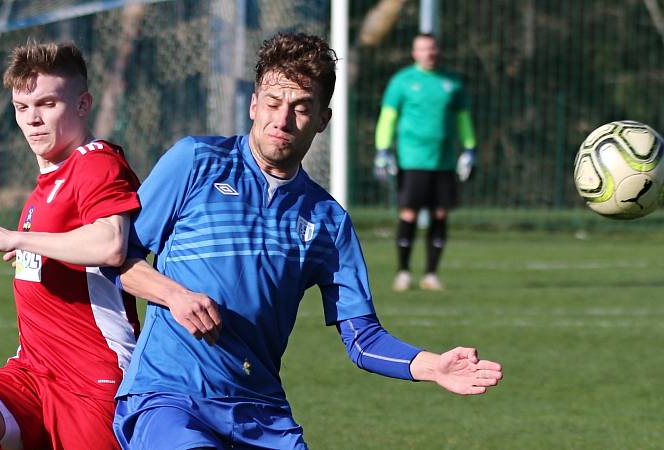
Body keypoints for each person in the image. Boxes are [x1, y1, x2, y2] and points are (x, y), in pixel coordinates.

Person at [112, 32, 502, 449]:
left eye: (300, 108)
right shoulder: (195, 162)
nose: (282, 120)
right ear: (253, 104)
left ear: (322, 120)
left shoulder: (328, 220)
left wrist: (432, 367)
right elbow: (118, 259)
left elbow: (363, 339)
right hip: (171, 397)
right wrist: (173, 294)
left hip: (261, 412)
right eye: (273, 103)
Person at [0, 42, 141, 450]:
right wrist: (34, 250)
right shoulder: (50, 178)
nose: (32, 119)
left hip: (93, 374)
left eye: (47, 103)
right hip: (33, 368)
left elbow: (111, 243)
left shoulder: (96, 163)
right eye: (21, 107)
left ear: (83, 104)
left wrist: (17, 238)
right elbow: (68, 246)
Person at [373, 33, 478, 292]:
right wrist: (383, 150)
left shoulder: (452, 82)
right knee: (408, 212)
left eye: (432, 48)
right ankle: (403, 272)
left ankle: (431, 274)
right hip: (413, 160)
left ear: (438, 50)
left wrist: (470, 148)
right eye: (423, 49)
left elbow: (463, 119)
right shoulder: (402, 81)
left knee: (440, 214)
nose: (428, 53)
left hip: (444, 161)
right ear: (414, 53)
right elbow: (388, 117)